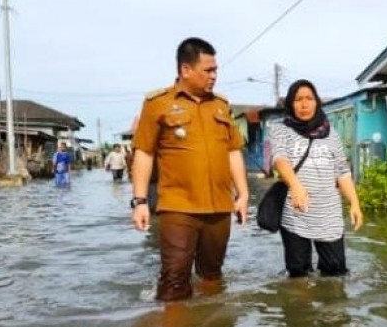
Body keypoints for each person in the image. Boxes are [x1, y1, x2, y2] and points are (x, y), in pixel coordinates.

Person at [131, 37, 249, 301]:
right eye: (208, 70)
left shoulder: (221, 105)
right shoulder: (157, 103)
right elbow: (144, 152)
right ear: (186, 70)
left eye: (215, 69)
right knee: (174, 279)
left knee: (212, 275)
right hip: (178, 207)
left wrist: (242, 194)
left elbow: (232, 151)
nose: (214, 76)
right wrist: (139, 201)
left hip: (219, 208)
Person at [269, 79, 363, 278]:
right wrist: (295, 186)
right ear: (290, 104)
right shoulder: (281, 130)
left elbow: (342, 172)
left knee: (336, 272)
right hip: (295, 213)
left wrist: (354, 203)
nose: (304, 104)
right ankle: (302, 309)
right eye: (298, 100)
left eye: (309, 99)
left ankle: (331, 309)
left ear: (317, 102)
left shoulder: (331, 134)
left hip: (329, 214)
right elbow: (279, 159)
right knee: (298, 274)